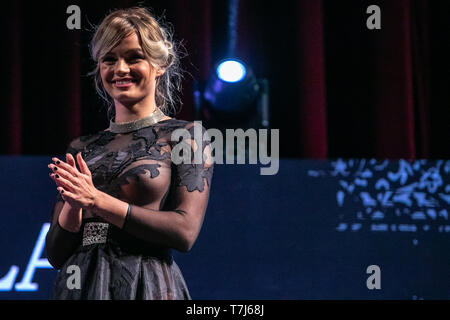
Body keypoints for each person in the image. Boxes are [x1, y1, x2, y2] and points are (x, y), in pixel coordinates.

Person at [45, 6, 214, 300]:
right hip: (80, 285)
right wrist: (75, 204)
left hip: (145, 283)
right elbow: (57, 255)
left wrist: (96, 199)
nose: (120, 69)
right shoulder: (81, 147)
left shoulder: (185, 136)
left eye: (134, 57)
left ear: (160, 64)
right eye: (109, 59)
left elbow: (184, 232)